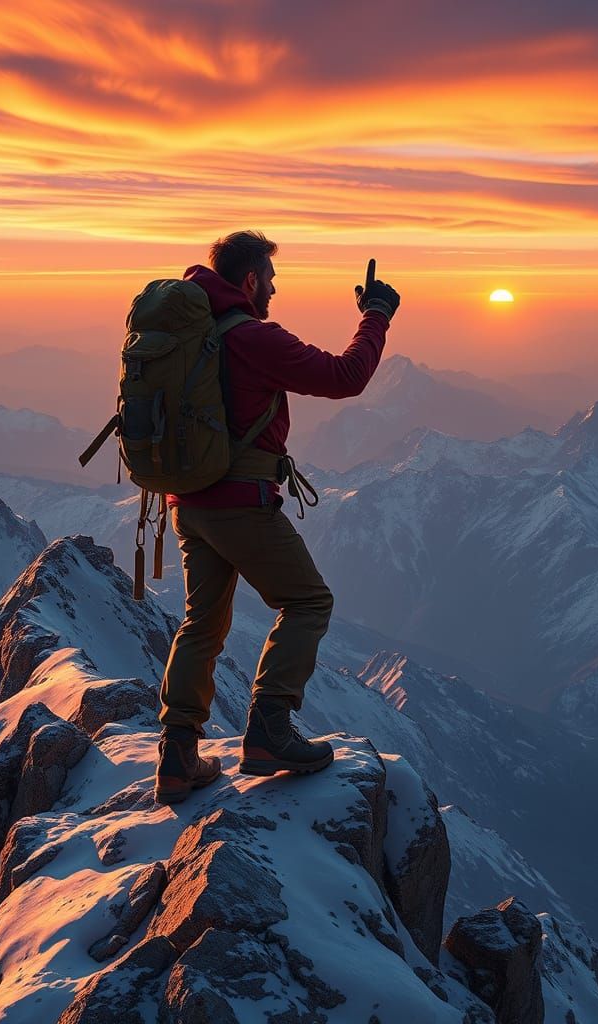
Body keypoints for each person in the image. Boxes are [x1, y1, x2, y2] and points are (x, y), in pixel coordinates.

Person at [154, 230, 400, 804]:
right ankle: (269, 730)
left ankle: (178, 755)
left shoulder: (185, 336)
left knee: (203, 623)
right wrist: (376, 316)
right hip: (241, 502)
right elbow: (345, 377)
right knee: (309, 601)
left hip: (188, 503)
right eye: (269, 278)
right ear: (248, 281)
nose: (274, 288)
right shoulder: (253, 338)